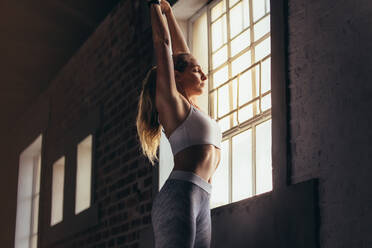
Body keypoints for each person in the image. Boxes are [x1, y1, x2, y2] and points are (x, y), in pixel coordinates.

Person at [136, 0, 222, 247]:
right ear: (176, 76)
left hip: (203, 198)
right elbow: (163, 44)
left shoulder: (194, 107)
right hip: (180, 196)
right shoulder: (173, 105)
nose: (204, 75)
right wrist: (153, 6)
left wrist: (171, 14)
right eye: (197, 71)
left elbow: (183, 56)